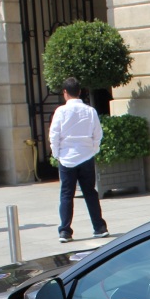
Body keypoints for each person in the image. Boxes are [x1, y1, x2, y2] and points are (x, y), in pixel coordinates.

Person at [49, 77, 109, 243]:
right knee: (90, 192)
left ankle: (65, 231)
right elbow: (98, 134)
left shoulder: (60, 112)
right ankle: (99, 227)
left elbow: (54, 134)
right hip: (86, 156)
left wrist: (57, 153)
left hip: (67, 157)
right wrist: (93, 150)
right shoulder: (90, 111)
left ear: (65, 93)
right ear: (80, 92)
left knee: (66, 194)